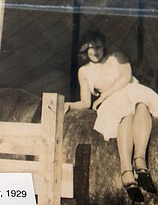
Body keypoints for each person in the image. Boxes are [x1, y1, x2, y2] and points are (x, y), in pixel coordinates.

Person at [65, 32, 158, 202]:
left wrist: (101, 97)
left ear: (104, 46)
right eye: (90, 47)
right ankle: (127, 172)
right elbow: (85, 102)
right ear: (85, 49)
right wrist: (69, 105)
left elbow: (125, 78)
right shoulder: (84, 71)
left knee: (142, 105)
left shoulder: (117, 57)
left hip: (130, 90)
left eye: (98, 46)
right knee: (124, 114)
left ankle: (140, 162)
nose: (95, 51)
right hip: (113, 102)